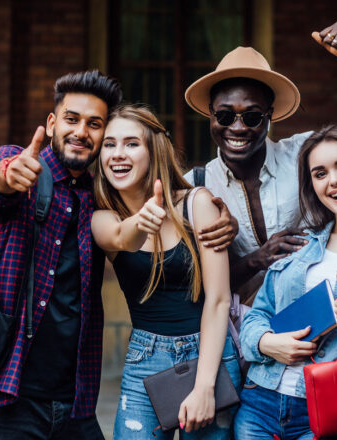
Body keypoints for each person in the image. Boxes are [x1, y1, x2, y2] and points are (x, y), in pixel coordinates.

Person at [91, 104, 240, 439]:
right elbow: (119, 237)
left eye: (131, 143)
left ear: (153, 149)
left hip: (212, 356)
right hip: (145, 359)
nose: (118, 154)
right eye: (109, 144)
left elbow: (218, 300)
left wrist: (204, 386)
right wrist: (141, 222)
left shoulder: (197, 204)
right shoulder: (103, 218)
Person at [0, 70, 122, 439]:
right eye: (72, 119)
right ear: (51, 124)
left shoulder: (102, 196)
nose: (81, 131)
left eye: (94, 124)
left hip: (76, 404)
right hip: (10, 400)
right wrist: (6, 175)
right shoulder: (23, 169)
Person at [184, 20, 337, 304]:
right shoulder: (194, 186)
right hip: (238, 336)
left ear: (269, 116)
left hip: (318, 326)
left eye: (253, 117)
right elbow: (192, 288)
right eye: (225, 116)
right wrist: (257, 259)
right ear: (210, 114)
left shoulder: (305, 155)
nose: (238, 128)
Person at [233, 124, 337, 439]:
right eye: (320, 174)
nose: (332, 180)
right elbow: (258, 315)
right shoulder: (303, 246)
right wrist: (266, 343)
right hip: (259, 403)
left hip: (323, 413)